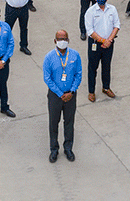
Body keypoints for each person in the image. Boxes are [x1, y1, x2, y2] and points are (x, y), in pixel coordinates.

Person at [43, 30, 82, 163]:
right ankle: (54, 149)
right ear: (55, 41)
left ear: (68, 40)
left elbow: (78, 74)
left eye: (65, 38)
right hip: (55, 96)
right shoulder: (49, 57)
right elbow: (47, 78)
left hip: (71, 95)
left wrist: (72, 91)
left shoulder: (75, 55)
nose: (62, 41)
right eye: (60, 39)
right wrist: (60, 94)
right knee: (54, 123)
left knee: (69, 122)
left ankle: (68, 148)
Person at [84, 0, 120, 102]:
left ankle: (106, 88)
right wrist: (103, 41)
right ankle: (91, 91)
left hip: (109, 44)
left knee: (106, 66)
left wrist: (109, 40)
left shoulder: (112, 9)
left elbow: (117, 25)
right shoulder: (90, 12)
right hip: (95, 44)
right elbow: (90, 31)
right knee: (92, 68)